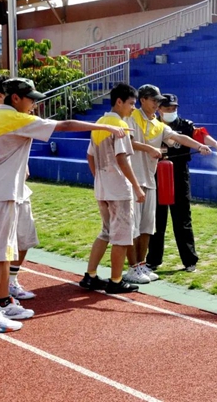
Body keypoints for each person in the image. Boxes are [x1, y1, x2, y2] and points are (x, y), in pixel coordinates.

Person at [0, 77, 129, 334]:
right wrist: (106, 128)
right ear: (15, 98)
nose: (34, 105)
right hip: (0, 193)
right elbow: (63, 125)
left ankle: (2, 302)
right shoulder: (14, 119)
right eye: (30, 99)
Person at [122, 84, 212, 284]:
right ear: (143, 99)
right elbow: (126, 142)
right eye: (154, 101)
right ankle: (133, 266)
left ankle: (141, 265)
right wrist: (148, 149)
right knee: (135, 227)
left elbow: (178, 137)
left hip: (151, 178)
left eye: (159, 102)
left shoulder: (158, 124)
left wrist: (199, 145)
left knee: (147, 226)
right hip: (133, 179)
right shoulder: (130, 118)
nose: (157, 105)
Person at [146, 93, 217, 274]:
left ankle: (190, 260)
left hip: (179, 175)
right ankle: (152, 260)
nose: (171, 111)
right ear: (159, 109)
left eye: (174, 108)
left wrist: (216, 145)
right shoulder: (152, 126)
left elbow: (200, 135)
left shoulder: (184, 125)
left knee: (182, 219)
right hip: (156, 174)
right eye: (167, 108)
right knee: (156, 220)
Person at [79, 83, 146, 294]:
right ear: (119, 102)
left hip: (102, 188)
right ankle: (116, 281)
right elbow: (122, 159)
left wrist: (99, 177)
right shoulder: (120, 127)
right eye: (132, 103)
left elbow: (90, 155)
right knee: (122, 236)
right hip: (118, 190)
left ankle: (90, 276)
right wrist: (137, 187)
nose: (133, 108)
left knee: (106, 232)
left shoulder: (100, 123)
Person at [0, 75, 37, 300]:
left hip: (13, 189)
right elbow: (63, 125)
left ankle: (3, 294)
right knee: (0, 250)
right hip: (2, 192)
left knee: (19, 241)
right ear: (4, 97)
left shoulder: (14, 119)